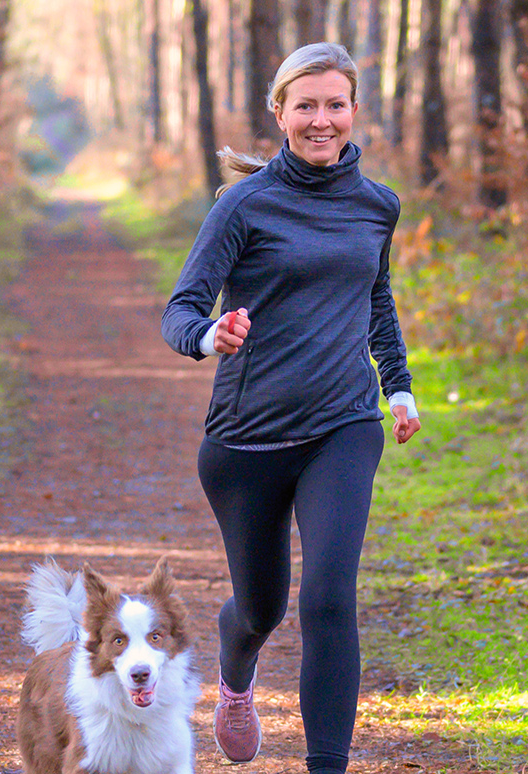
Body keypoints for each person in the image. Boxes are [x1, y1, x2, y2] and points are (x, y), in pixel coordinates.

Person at [159, 42, 420, 774]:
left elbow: (376, 297)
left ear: (353, 110)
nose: (321, 120)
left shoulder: (377, 206)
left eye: (334, 104)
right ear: (279, 113)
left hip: (343, 426)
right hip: (247, 441)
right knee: (260, 610)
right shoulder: (244, 205)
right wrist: (209, 335)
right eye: (305, 105)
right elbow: (179, 309)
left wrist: (396, 386)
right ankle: (235, 683)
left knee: (329, 599)